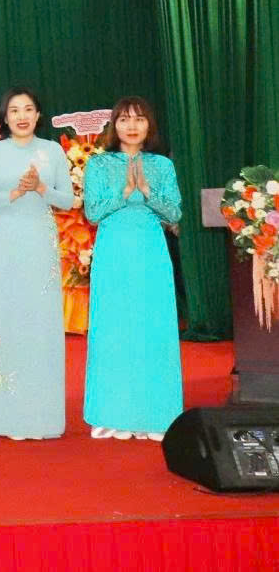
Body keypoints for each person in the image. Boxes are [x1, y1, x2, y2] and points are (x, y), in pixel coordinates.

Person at [0, 87, 74, 440]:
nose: (21, 116)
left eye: (28, 109)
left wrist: (41, 188)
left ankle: (42, 415)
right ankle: (5, 414)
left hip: (40, 241)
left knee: (41, 323)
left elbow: (68, 201)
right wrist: (15, 192)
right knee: (6, 319)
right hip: (5, 239)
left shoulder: (52, 151)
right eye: (14, 110)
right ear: (4, 117)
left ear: (38, 115)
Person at [83, 96, 183, 441]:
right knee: (114, 331)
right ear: (114, 125)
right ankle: (112, 415)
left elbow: (175, 213)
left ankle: (157, 415)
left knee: (153, 329)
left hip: (150, 253)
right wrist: (124, 193)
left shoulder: (162, 165)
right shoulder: (99, 164)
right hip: (113, 254)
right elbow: (92, 213)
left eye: (139, 119)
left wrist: (148, 192)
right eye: (124, 119)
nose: (132, 126)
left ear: (149, 125)